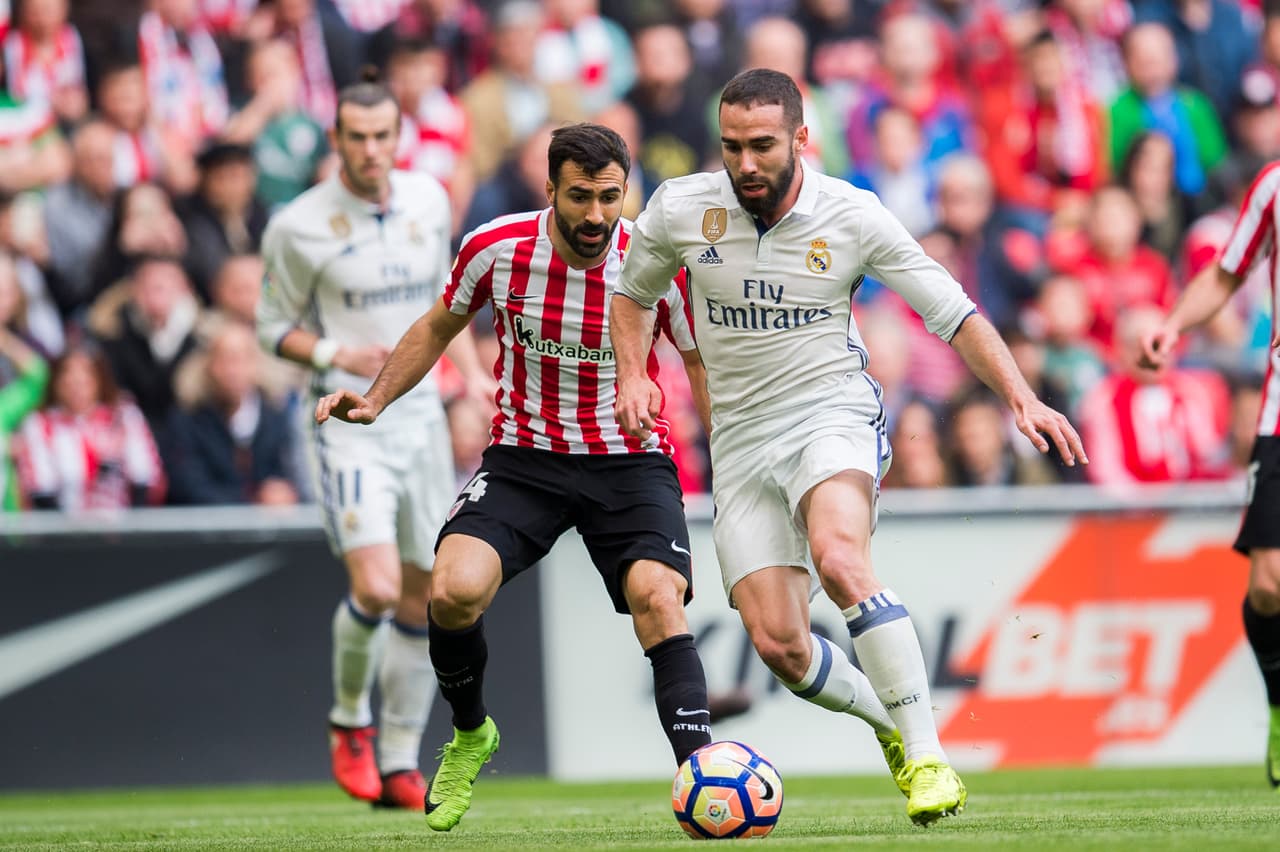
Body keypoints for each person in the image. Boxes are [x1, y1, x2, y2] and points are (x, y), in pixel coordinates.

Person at [610, 68, 1087, 826]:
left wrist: (1021, 398)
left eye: (762, 146)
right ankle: (892, 728)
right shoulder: (680, 209)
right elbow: (632, 295)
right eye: (731, 147)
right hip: (739, 440)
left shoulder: (853, 216)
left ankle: (930, 758)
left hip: (829, 412)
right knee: (781, 647)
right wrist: (634, 377)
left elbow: (952, 312)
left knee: (839, 556)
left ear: (801, 138)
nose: (745, 164)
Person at [315, 122, 715, 832]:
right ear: (552, 190)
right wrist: (375, 398)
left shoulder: (653, 259)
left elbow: (699, 361)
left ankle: (704, 776)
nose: (596, 216)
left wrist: (729, 453)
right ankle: (472, 732)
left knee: (659, 596)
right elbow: (440, 325)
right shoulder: (497, 247)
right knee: (451, 590)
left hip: (627, 459)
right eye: (581, 197)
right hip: (525, 458)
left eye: (611, 198)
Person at [256, 73, 486, 810]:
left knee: (427, 595)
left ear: (399, 136)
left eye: (383, 135)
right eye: (356, 137)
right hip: (348, 420)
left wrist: (469, 383)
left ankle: (397, 761)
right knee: (377, 587)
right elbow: (269, 329)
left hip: (419, 419)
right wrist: (333, 354)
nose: (371, 150)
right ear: (337, 142)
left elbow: (447, 307)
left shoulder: (427, 199)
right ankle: (348, 721)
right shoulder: (298, 224)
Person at [1139, 159, 1280, 788]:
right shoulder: (1273, 184)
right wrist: (1172, 325)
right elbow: (1227, 273)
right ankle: (1279, 706)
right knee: (1271, 586)